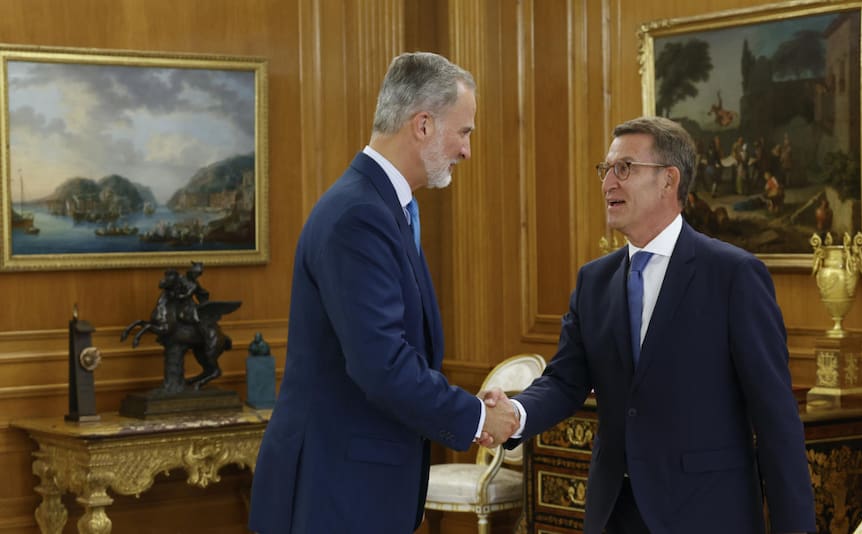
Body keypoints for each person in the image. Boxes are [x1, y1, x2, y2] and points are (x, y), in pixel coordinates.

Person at [486, 117, 816, 533]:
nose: (608, 182)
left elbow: (776, 419)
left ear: (668, 180)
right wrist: (515, 414)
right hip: (614, 514)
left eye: (624, 168)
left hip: (705, 515)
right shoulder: (594, 281)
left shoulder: (733, 276)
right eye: (605, 169)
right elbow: (565, 380)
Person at [248, 52, 519, 534]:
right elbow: (382, 363)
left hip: (355, 487)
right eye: (464, 132)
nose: (466, 150)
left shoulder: (384, 207)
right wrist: (476, 418)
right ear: (422, 125)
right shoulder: (360, 216)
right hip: (334, 491)